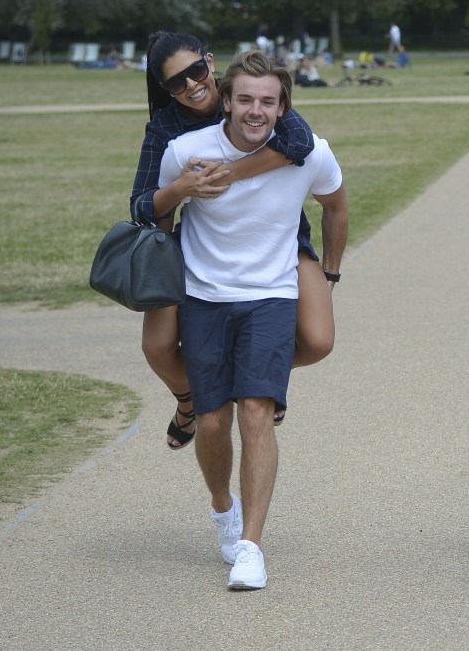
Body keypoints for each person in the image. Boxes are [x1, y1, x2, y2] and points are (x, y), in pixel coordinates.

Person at [157, 50, 348, 589]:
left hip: (271, 295)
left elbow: (336, 205)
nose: (255, 110)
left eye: (267, 101)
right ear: (227, 100)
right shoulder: (187, 150)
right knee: (214, 422)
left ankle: (251, 547)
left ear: (283, 105)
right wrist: (178, 191)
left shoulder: (311, 153)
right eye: (245, 99)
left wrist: (329, 272)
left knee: (256, 414)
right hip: (204, 299)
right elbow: (153, 211)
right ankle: (224, 507)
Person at [131, 31, 337, 451]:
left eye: (195, 71)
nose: (191, 85)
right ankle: (189, 400)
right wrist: (184, 186)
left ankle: (259, 377)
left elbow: (298, 143)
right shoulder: (166, 128)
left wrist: (224, 173)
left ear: (210, 62)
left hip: (279, 238)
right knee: (156, 346)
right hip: (202, 244)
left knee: (318, 340)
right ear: (164, 89)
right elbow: (141, 206)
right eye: (175, 82)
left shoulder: (252, 95)